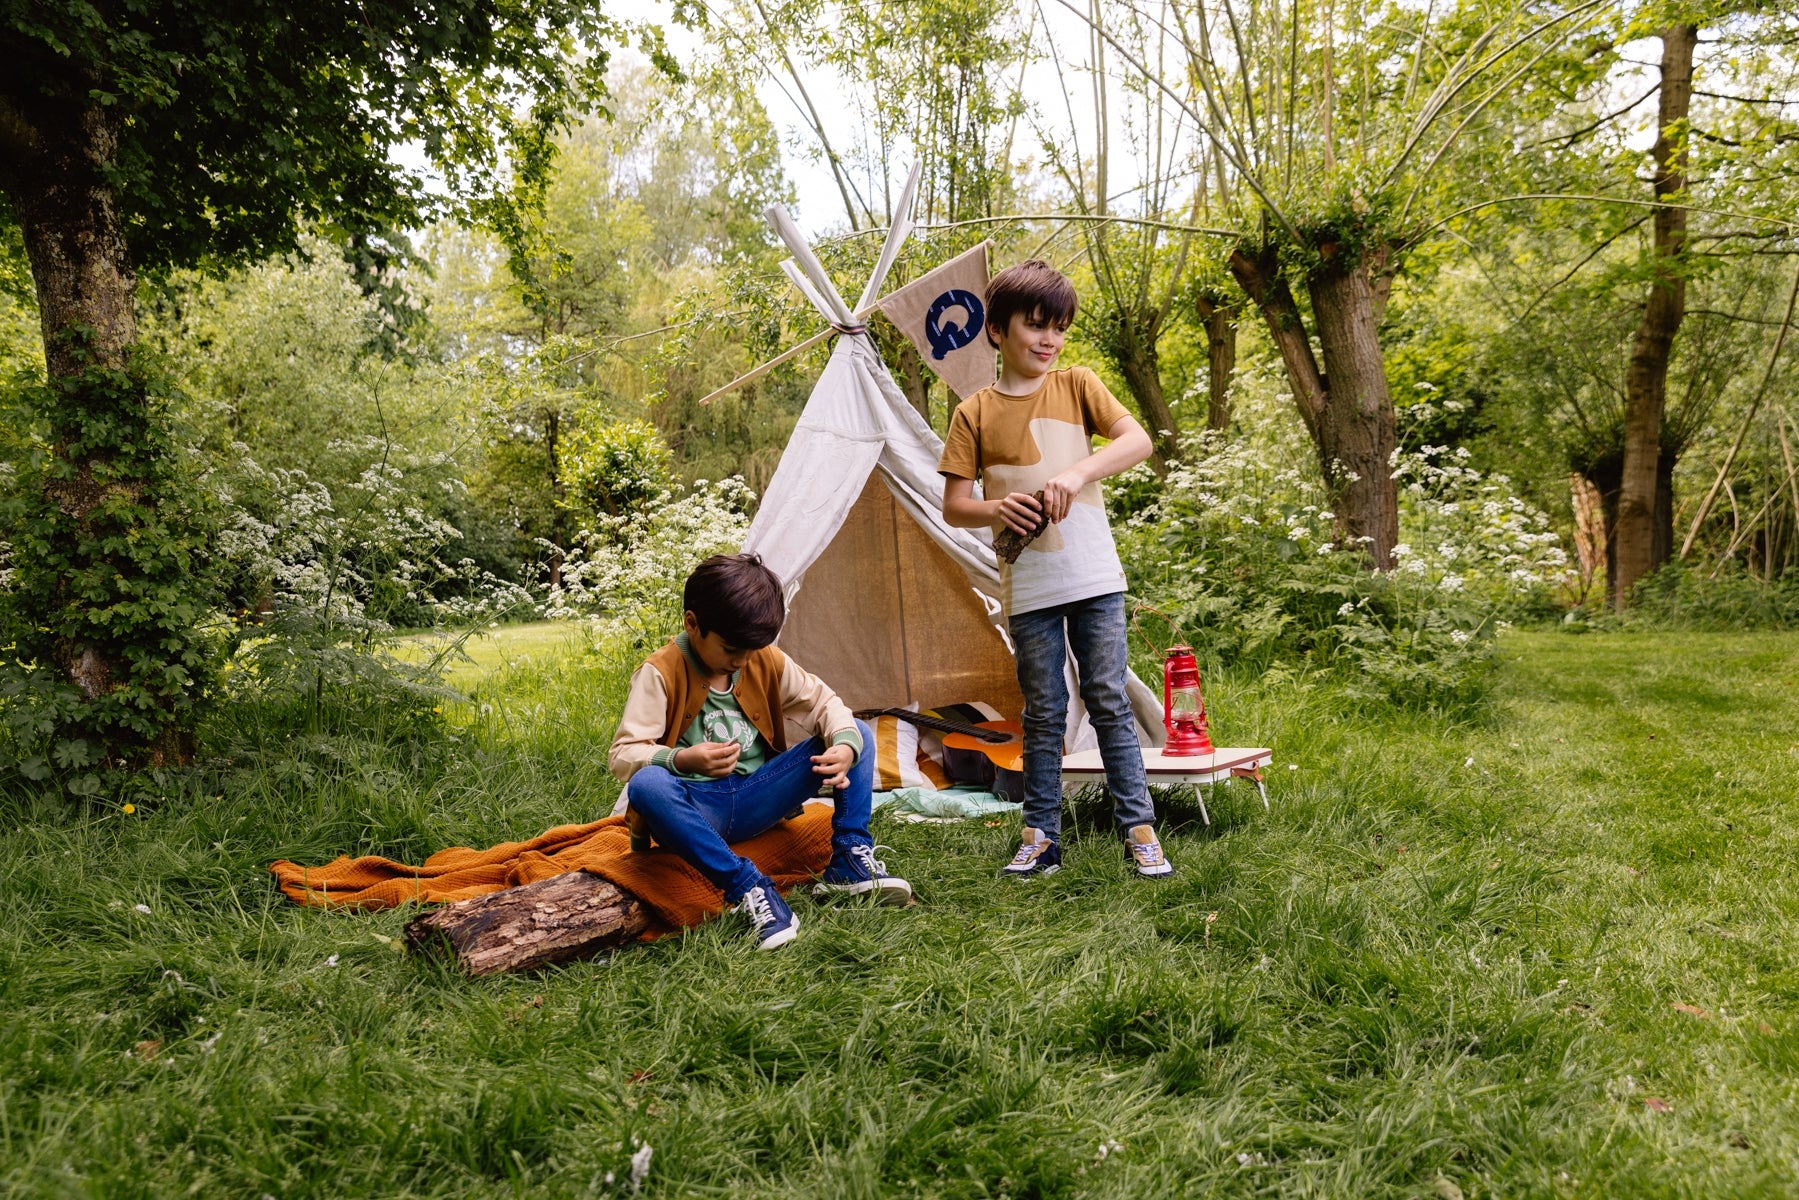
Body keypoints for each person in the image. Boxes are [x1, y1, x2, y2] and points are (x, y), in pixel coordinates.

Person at [938, 260, 1170, 879]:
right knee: (1043, 710)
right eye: (1036, 325)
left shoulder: (1079, 384)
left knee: (1108, 698)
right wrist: (996, 507)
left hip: (1094, 576)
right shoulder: (973, 413)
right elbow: (954, 506)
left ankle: (1139, 831)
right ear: (996, 330)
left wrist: (1076, 473)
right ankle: (1040, 837)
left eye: (1059, 328)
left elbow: (1138, 440)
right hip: (1027, 585)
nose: (1049, 340)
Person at [608, 553, 911, 948]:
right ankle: (747, 886)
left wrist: (843, 747)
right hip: (696, 809)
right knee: (648, 784)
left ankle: (850, 858)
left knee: (855, 733)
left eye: (751, 651)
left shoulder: (762, 660)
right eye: (731, 649)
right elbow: (623, 754)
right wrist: (681, 759)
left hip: (758, 796)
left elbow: (825, 703)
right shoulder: (660, 671)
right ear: (692, 623)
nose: (741, 661)